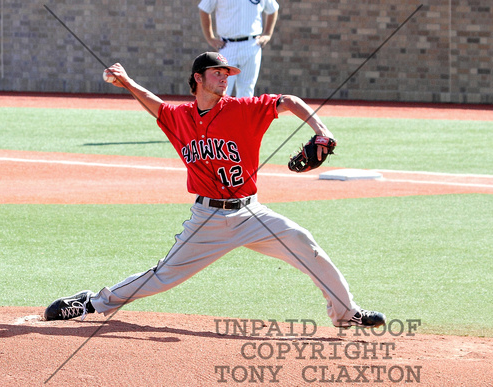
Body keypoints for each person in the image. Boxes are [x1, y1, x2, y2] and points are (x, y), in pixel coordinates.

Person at [44, 52, 386, 329]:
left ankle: (345, 312)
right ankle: (90, 302)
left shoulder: (243, 109)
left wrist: (321, 130)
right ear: (198, 78)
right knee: (163, 276)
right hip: (207, 218)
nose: (225, 77)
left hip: (252, 213)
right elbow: (155, 106)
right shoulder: (179, 117)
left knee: (306, 245)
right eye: (217, 72)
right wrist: (127, 81)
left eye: (227, 73)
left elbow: (289, 100)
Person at [198, 0, 279, 98]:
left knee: (247, 90)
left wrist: (267, 34)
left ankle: (243, 114)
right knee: (221, 88)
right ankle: (220, 113)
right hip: (227, 45)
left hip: (252, 44)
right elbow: (204, 8)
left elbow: (273, 9)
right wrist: (210, 38)